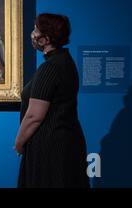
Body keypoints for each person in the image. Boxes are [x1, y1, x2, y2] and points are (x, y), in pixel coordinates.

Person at [14, 13, 89, 188]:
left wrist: (19, 142)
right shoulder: (66, 61)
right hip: (66, 142)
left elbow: (34, 116)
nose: (32, 34)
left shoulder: (50, 68)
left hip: (49, 148)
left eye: (35, 29)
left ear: (45, 38)